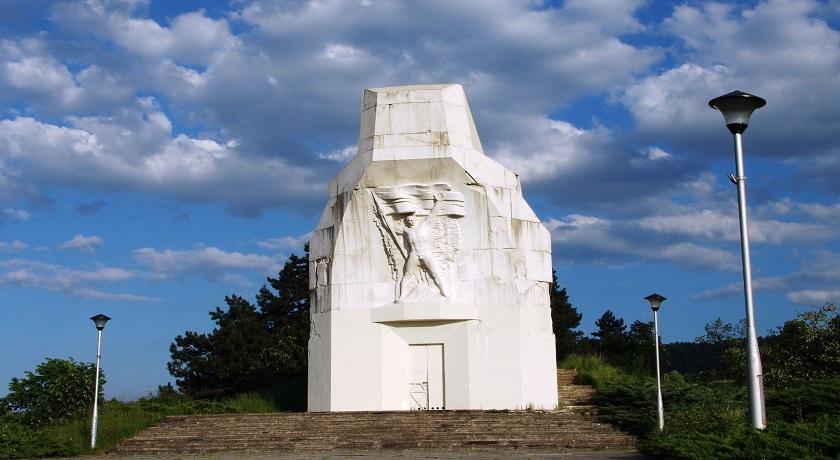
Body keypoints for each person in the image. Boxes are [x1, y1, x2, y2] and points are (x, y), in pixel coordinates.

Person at [397, 193, 449, 301]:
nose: (410, 221)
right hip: (414, 254)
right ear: (406, 222)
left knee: (434, 273)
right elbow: (393, 228)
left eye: (412, 219)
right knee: (407, 274)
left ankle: (444, 291)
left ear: (415, 218)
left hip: (425, 253)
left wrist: (438, 202)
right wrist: (384, 215)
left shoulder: (424, 226)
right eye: (408, 220)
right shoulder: (407, 230)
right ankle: (402, 296)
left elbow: (432, 214)